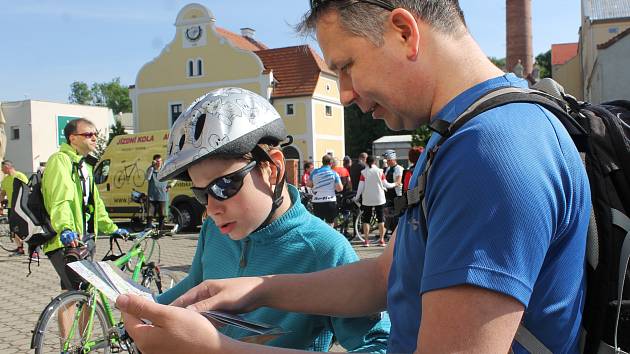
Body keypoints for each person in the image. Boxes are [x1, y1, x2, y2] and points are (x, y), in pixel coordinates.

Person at [117, 1, 591, 353]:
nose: (343, 95)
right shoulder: (466, 133)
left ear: (405, 31)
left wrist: (217, 349)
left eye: (346, 66)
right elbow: (386, 277)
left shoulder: (490, 154)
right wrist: (257, 289)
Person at [151, 87, 389, 351]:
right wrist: (146, 309)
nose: (212, 208)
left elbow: (377, 345)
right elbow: (196, 284)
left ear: (273, 169)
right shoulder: (213, 230)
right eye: (201, 193)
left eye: (224, 186)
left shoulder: (325, 249)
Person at [42, 118, 129, 336]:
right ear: (73, 138)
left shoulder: (84, 166)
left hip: (84, 239)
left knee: (86, 292)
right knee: (73, 293)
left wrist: (111, 228)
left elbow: (95, 204)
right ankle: (69, 346)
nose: (94, 138)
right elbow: (58, 200)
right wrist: (64, 229)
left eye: (95, 134)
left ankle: (83, 343)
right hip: (66, 239)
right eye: (88, 134)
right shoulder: (59, 161)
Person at [353, 155, 395, 247]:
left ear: (366, 162)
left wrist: (357, 197)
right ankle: (382, 240)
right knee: (381, 219)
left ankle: (366, 241)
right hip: (379, 198)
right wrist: (396, 183)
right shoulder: (380, 171)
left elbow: (360, 187)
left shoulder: (363, 172)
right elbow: (386, 184)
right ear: (375, 162)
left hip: (367, 199)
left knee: (366, 220)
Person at [0, 160, 29, 256]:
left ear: (7, 167)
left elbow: (28, 190)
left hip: (22, 207)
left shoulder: (20, 176)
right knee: (14, 229)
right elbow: (3, 194)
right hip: (11, 208)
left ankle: (33, 249)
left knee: (26, 228)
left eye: (2, 168)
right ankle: (20, 249)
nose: (1, 170)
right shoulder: (5, 180)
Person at [307, 154, 343, 226]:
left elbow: (309, 184)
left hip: (317, 201)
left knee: (319, 224)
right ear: (331, 163)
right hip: (330, 201)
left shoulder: (314, 172)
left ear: (322, 162)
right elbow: (340, 188)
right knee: (330, 224)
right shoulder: (334, 173)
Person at [145, 154, 169, 230]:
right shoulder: (151, 169)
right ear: (154, 161)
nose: (159, 163)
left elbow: (172, 177)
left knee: (162, 214)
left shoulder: (165, 170)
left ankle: (161, 228)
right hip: (152, 195)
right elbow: (147, 178)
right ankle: (148, 228)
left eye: (160, 161)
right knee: (150, 213)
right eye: (157, 161)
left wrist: (170, 185)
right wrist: (151, 167)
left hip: (162, 195)